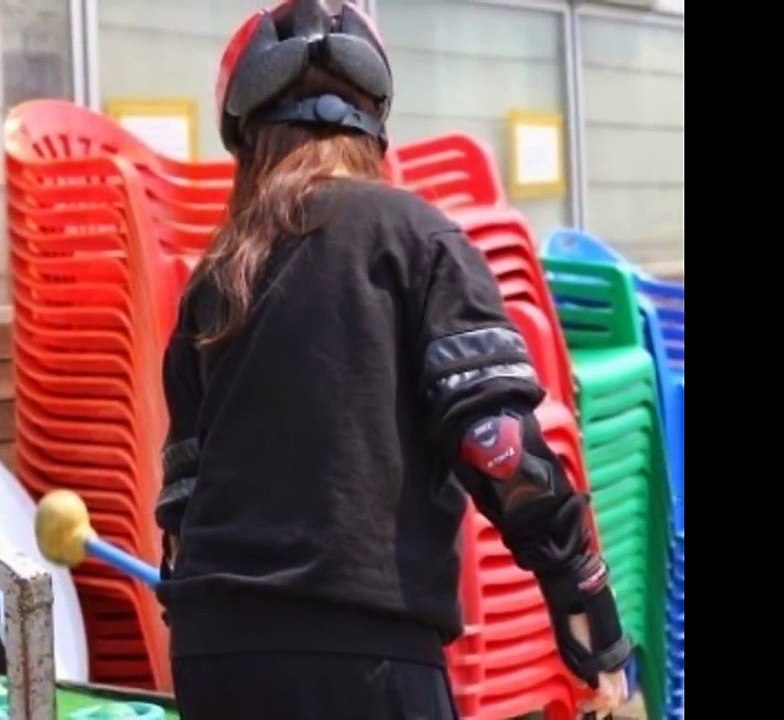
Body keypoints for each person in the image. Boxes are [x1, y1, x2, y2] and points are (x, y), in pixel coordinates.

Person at [152, 2, 631, 718]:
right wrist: (589, 615)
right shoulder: (419, 239)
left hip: (217, 649)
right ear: (374, 125)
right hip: (367, 648)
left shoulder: (217, 275)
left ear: (245, 137)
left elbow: (184, 500)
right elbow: (500, 450)